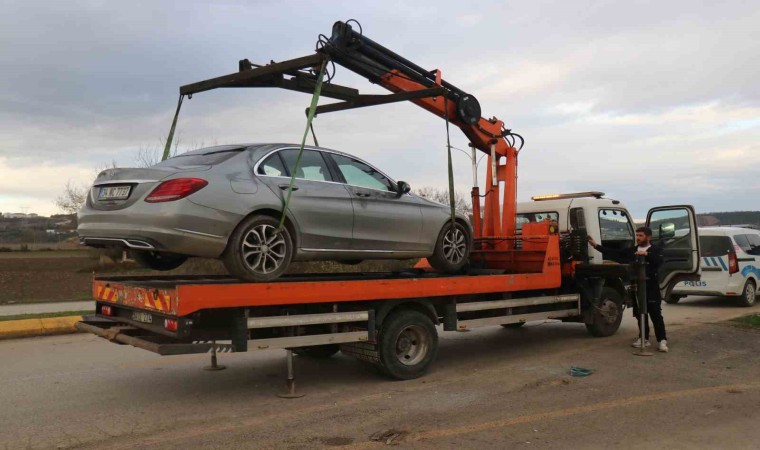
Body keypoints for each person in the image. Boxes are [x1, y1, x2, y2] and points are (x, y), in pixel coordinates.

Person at [588, 227, 668, 352]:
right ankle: (644, 338)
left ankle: (662, 340)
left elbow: (659, 260)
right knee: (640, 313)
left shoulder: (656, 250)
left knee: (655, 313)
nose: (638, 238)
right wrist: (596, 246)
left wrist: (647, 254)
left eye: (641, 235)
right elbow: (615, 253)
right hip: (637, 287)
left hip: (651, 287)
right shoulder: (633, 250)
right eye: (637, 235)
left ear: (648, 237)